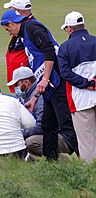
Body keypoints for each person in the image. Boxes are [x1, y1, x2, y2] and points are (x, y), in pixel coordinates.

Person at [0, 10, 79, 160]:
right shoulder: (25, 35)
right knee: (48, 125)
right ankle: (52, 163)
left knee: (67, 125)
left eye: (7, 28)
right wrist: (35, 97)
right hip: (49, 87)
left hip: (56, 83)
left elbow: (49, 50)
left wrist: (45, 78)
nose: (8, 32)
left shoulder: (31, 27)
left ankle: (87, 162)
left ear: (11, 24)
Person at [7, 67, 74, 158]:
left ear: (26, 83)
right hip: (51, 133)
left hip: (61, 135)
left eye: (16, 84)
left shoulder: (39, 97)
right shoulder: (28, 95)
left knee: (31, 142)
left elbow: (41, 126)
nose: (15, 88)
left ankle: (60, 163)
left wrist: (20, 133)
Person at [58, 11, 96, 164]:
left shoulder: (65, 47)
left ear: (69, 28)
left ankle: (91, 177)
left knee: (87, 142)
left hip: (80, 100)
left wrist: (87, 83)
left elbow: (65, 74)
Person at [2, 0, 34, 93]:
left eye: (10, 9)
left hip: (26, 83)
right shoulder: (21, 29)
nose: (8, 11)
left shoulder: (30, 29)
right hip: (20, 83)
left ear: (17, 11)